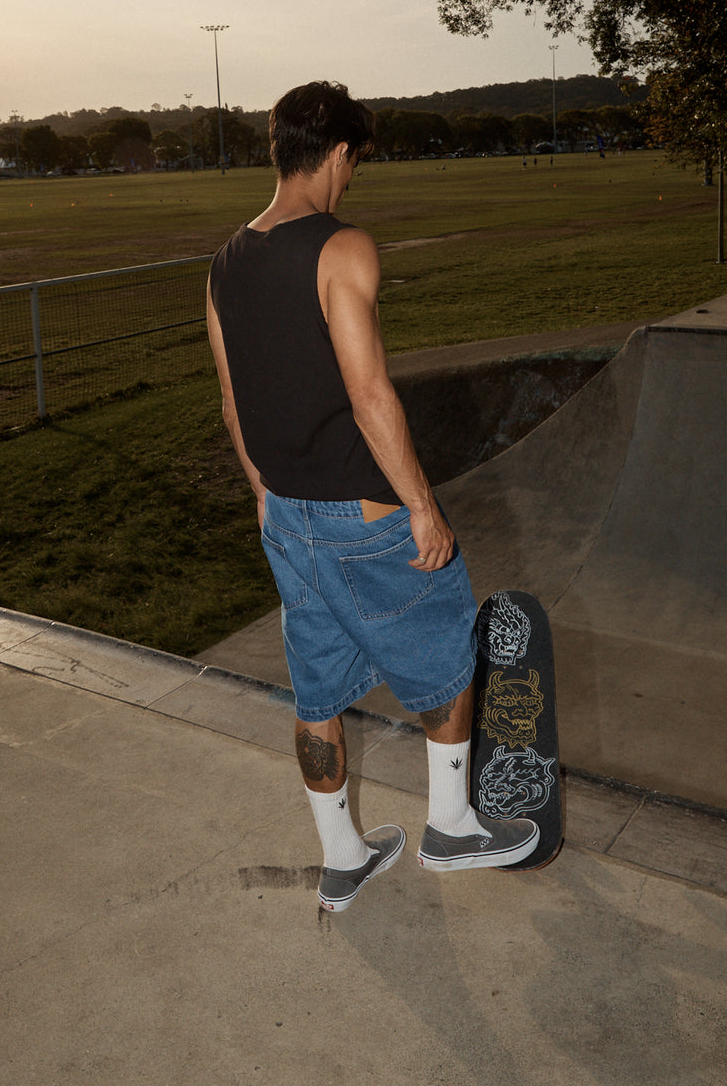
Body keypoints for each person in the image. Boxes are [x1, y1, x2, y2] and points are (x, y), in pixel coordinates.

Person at [207, 82, 539, 913]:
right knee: (448, 653)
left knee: (316, 690)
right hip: (363, 514)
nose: (353, 178)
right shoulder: (343, 247)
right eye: (356, 161)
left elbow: (230, 398)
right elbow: (370, 393)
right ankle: (453, 827)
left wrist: (261, 491)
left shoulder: (225, 260)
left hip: (285, 515)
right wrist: (423, 507)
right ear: (341, 152)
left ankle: (343, 856)